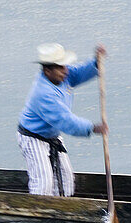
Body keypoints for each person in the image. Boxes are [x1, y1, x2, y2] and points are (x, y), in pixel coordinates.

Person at [17, 42, 108, 197]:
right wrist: (92, 127)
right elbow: (65, 121)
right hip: (33, 138)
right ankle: (39, 212)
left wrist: (96, 62)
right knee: (44, 183)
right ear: (47, 70)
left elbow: (79, 73)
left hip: (51, 135)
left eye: (65, 66)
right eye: (60, 67)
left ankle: (62, 209)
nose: (65, 71)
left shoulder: (63, 75)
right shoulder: (44, 93)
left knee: (66, 181)